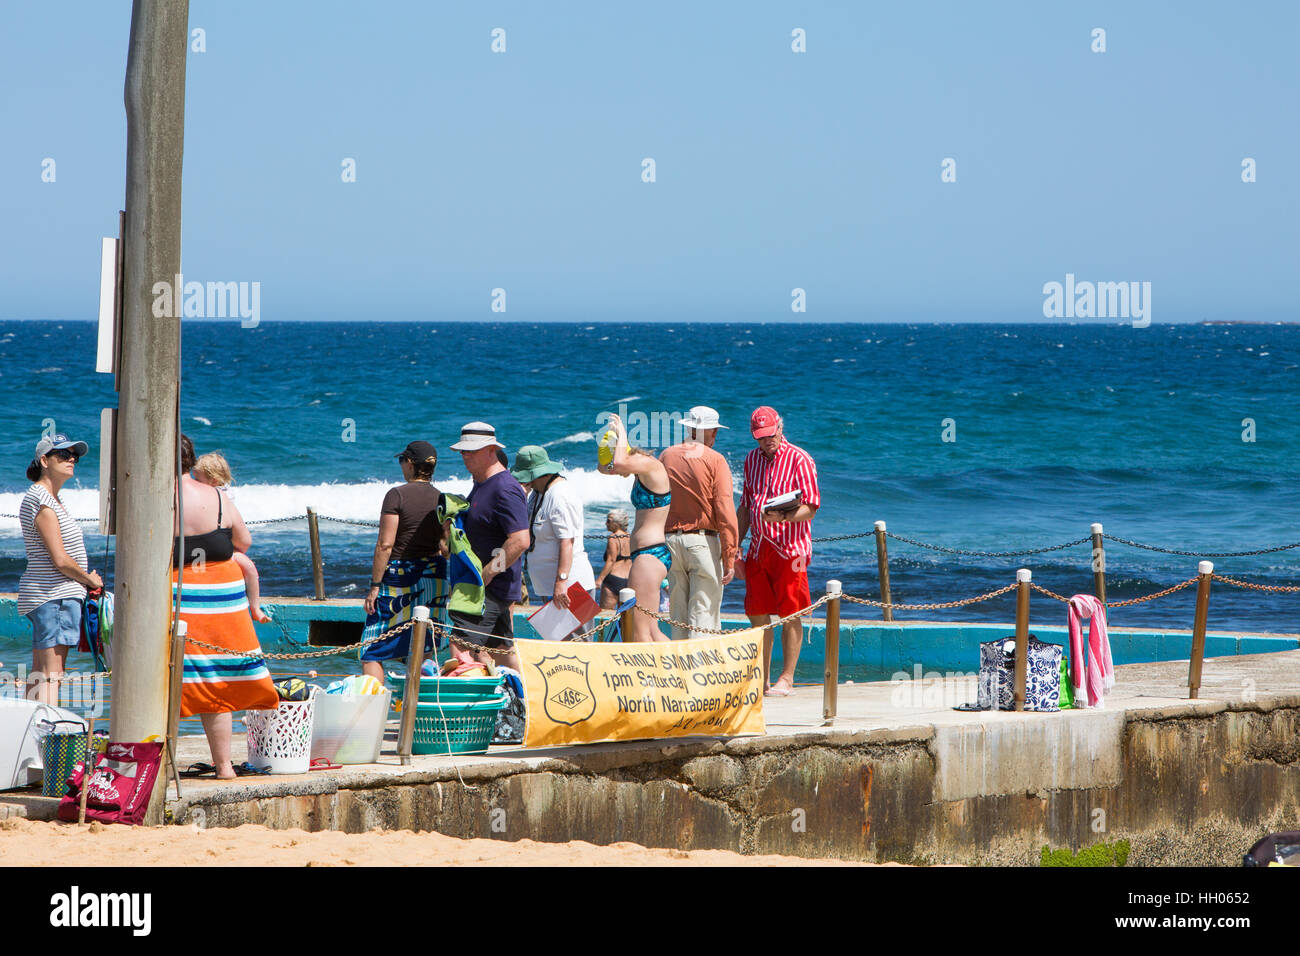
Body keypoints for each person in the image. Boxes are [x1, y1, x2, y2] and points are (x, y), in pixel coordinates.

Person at [173, 435, 277, 779]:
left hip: (178, 591)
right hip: (223, 594)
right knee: (216, 677)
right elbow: (244, 541)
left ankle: (159, 765)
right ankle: (224, 766)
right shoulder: (218, 495)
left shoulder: (157, 492)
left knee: (170, 677)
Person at [736, 407, 820, 697]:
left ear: (780, 429)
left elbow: (811, 506)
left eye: (771, 435)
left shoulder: (800, 459)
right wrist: (735, 544)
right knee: (757, 613)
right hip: (758, 547)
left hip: (790, 549)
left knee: (790, 613)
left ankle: (787, 677)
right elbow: (746, 506)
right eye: (761, 437)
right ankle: (761, 677)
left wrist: (784, 518)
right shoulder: (751, 459)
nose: (767, 441)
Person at [19, 434, 103, 705]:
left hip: (50, 594)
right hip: (54, 594)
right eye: (63, 455)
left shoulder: (50, 498)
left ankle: (27, 735)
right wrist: (89, 579)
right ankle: (45, 736)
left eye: (74, 456)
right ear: (44, 460)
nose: (71, 460)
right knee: (51, 674)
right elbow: (60, 559)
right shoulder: (42, 499)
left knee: (40, 672)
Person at [360, 441, 447, 681]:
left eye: (402, 461)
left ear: (410, 464)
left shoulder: (396, 495)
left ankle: (373, 709)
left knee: (371, 649)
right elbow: (444, 544)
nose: (401, 465)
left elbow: (385, 545)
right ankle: (423, 710)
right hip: (435, 574)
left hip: (400, 576)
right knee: (425, 647)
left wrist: (375, 586)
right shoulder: (441, 497)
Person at [447, 422, 529, 672]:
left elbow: (520, 540)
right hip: (491, 587)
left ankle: (460, 710)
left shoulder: (505, 488)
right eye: (463, 451)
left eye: (471, 450)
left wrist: (488, 573)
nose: (465, 456)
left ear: (491, 449)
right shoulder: (482, 483)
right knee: (500, 651)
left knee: (459, 649)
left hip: (487, 589)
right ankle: (522, 703)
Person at [660, 405, 739, 640]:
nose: (716, 436)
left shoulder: (667, 455)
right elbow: (725, 508)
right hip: (703, 542)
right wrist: (730, 555)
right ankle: (699, 674)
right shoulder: (716, 460)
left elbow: (656, 499)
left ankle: (680, 673)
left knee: (678, 616)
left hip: (670, 541)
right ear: (709, 431)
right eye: (715, 431)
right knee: (703, 614)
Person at [596, 414, 672, 643]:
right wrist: (609, 447)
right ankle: (674, 676)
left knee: (640, 634)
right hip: (647, 554)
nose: (618, 473)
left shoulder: (650, 465)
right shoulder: (640, 470)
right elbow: (606, 468)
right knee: (652, 631)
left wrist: (621, 432)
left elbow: (618, 463)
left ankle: (650, 679)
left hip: (651, 554)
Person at [511, 446, 595, 626]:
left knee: (579, 642)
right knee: (560, 643)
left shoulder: (560, 496)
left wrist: (561, 582)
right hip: (549, 585)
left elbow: (567, 542)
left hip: (571, 584)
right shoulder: (539, 493)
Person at [192, 452, 271, 624]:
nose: (194, 483)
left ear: (213, 481)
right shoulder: (204, 493)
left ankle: (255, 608)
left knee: (250, 569)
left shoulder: (221, 495)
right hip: (214, 544)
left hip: (225, 544)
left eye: (198, 480)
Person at [594, 509, 632, 610]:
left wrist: (599, 580)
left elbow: (611, 560)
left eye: (609, 521)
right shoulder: (630, 537)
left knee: (606, 616)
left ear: (617, 523)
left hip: (614, 579)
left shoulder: (613, 538)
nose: (606, 523)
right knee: (625, 619)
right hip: (629, 580)